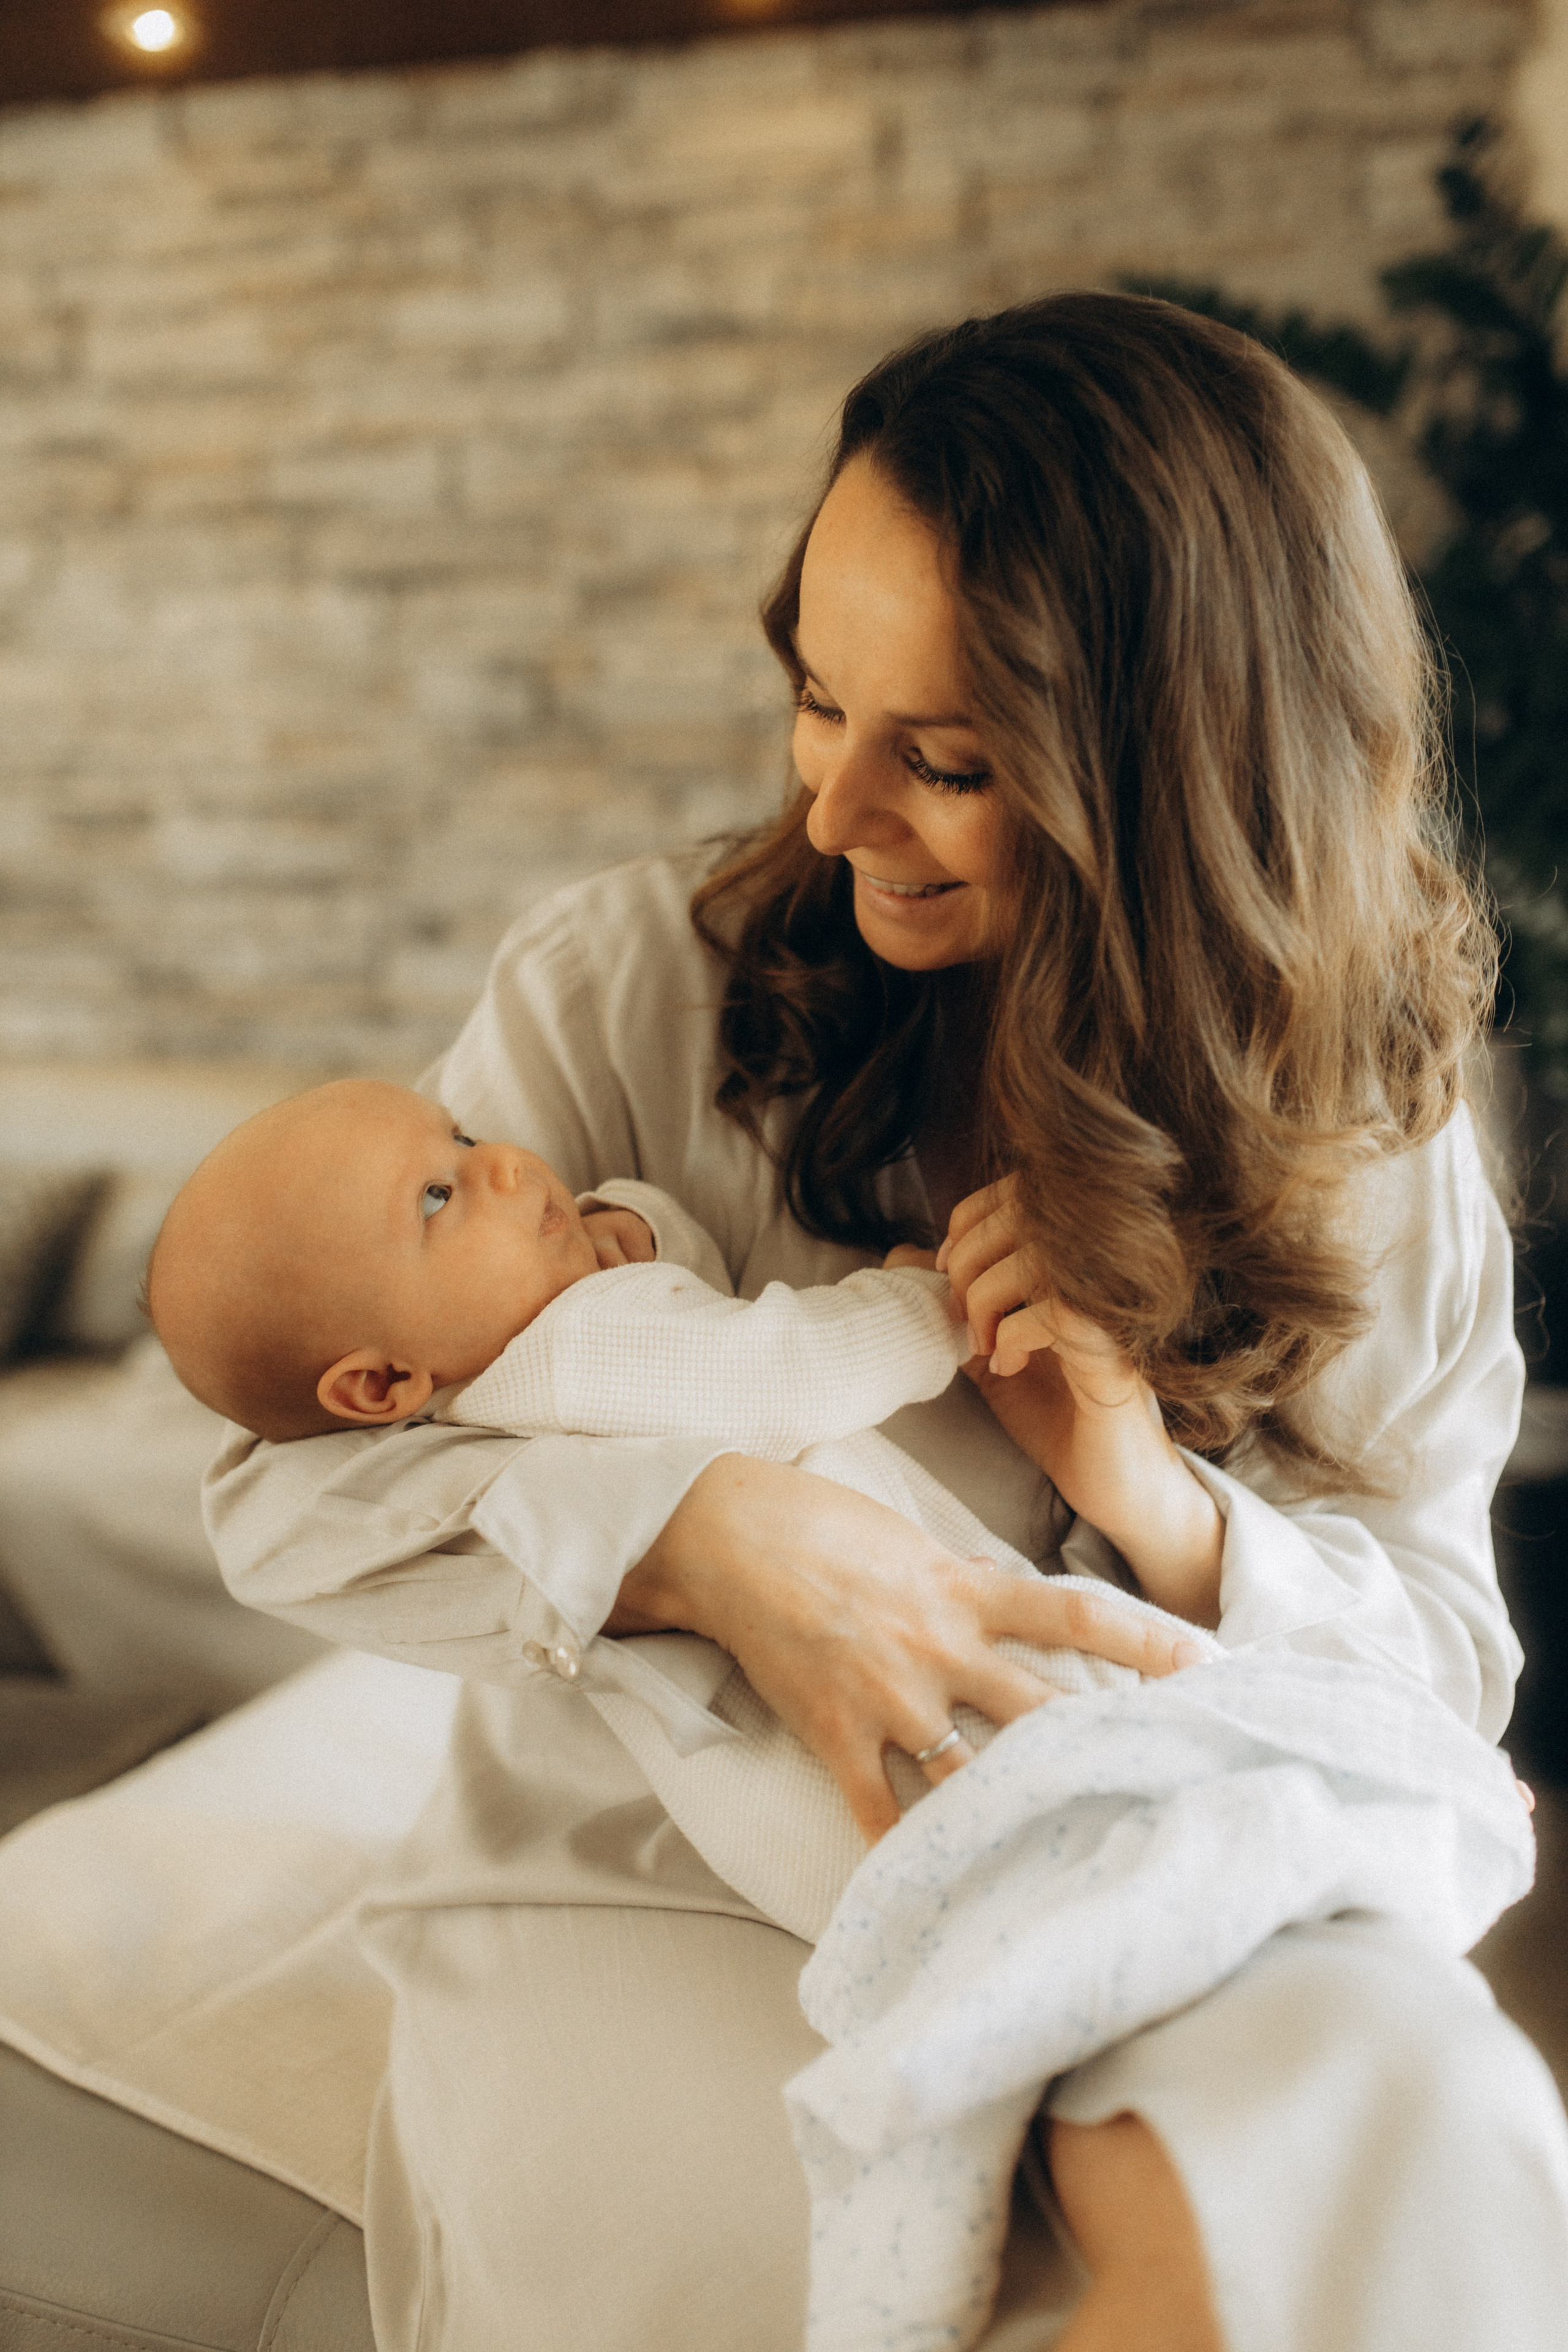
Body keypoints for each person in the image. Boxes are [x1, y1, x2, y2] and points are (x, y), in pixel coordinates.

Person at [205, 293, 1568, 2352]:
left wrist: (1156, 1503)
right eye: (814, 701)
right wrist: (709, 1547)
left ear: (1183, 786)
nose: (835, 816)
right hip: (644, 1877)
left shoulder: (1358, 1127)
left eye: (946, 761)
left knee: (1428, 2134)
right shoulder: (621, 995)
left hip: (1139, 1831)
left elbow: (1445, 1668)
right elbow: (282, 1490)